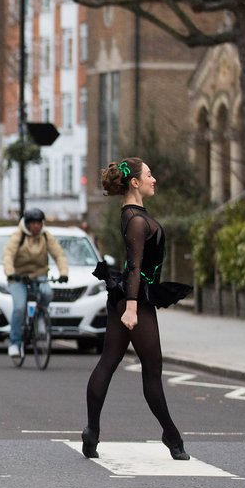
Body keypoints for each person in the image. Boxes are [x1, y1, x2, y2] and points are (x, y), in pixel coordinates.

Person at [82, 157, 193, 461]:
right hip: (136, 299)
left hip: (130, 295)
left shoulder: (133, 215)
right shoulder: (136, 219)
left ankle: (92, 432)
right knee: (152, 370)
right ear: (135, 183)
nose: (153, 179)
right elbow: (135, 267)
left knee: (108, 362)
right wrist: (131, 308)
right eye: (148, 174)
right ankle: (171, 436)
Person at [2, 207, 69, 360]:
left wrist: (64, 272)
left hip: (39, 274)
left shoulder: (46, 236)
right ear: (27, 223)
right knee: (19, 307)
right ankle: (15, 342)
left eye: (39, 223)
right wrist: (11, 273)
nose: (37, 226)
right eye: (33, 223)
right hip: (18, 276)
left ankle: (40, 318)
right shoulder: (18, 236)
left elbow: (59, 254)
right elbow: (7, 255)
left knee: (47, 292)